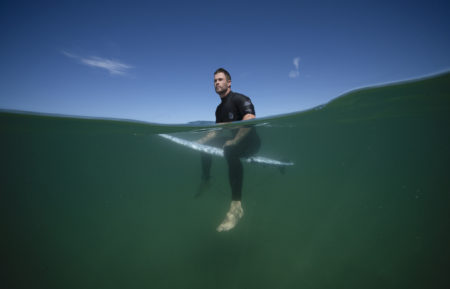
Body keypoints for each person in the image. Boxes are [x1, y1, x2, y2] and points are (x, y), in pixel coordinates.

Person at [197, 68, 260, 232]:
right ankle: (206, 180)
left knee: (230, 151)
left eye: (220, 80)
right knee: (206, 146)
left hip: (251, 143)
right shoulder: (219, 109)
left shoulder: (241, 99)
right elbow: (217, 130)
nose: (216, 83)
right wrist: (202, 141)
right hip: (236, 141)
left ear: (229, 82)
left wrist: (235, 140)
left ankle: (236, 206)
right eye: (214, 81)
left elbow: (250, 119)